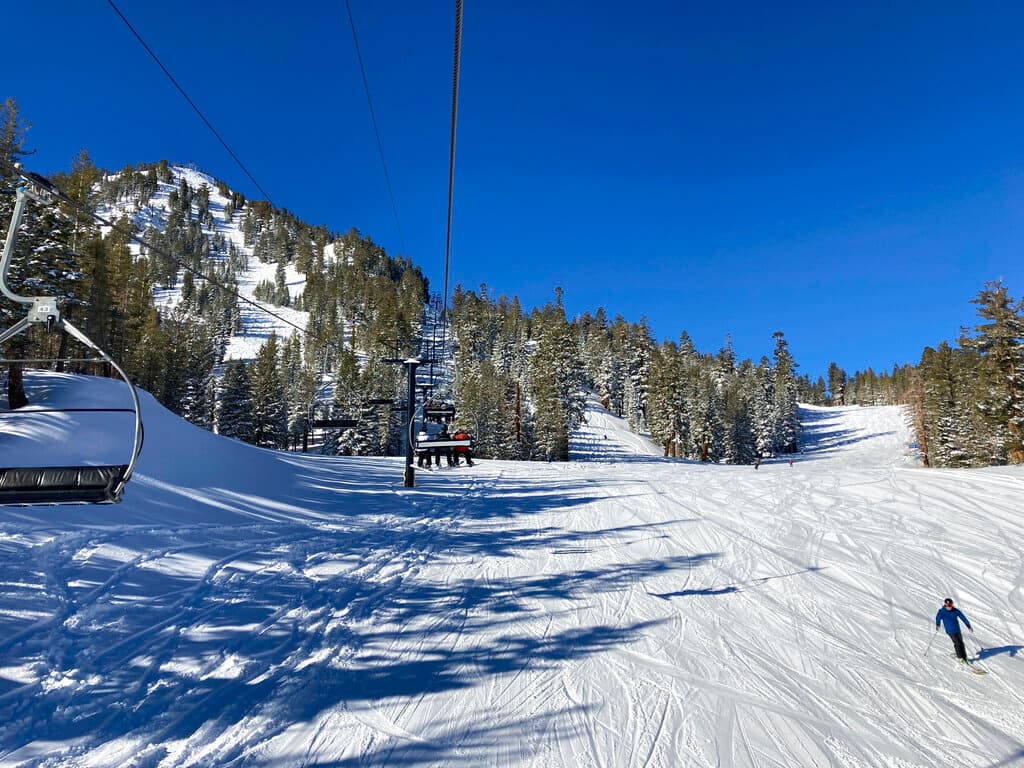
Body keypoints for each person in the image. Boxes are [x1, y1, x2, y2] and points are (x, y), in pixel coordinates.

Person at [935, 597, 973, 663]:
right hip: (950, 630)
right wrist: (938, 624)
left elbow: (963, 618)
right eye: (948, 606)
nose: (949, 607)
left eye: (950, 606)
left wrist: (968, 625)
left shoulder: (955, 611)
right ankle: (960, 658)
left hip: (957, 629)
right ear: (945, 605)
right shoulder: (942, 612)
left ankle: (964, 657)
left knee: (961, 643)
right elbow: (938, 618)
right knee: (957, 643)